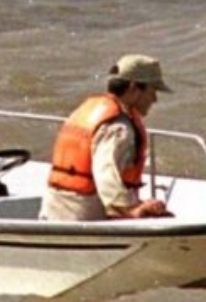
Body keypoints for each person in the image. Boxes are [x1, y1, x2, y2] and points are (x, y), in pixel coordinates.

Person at [39, 54, 174, 221]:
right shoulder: (118, 128)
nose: (155, 99)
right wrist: (132, 211)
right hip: (83, 221)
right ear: (133, 88)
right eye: (152, 91)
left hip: (55, 211)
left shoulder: (89, 109)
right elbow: (105, 174)